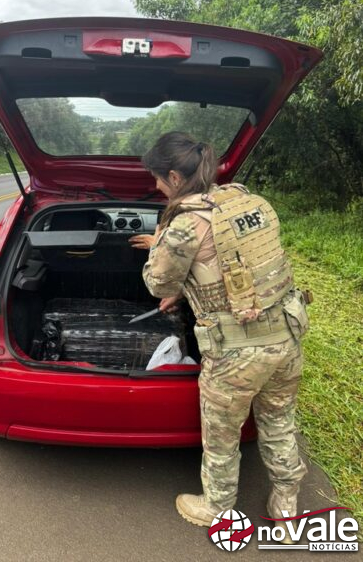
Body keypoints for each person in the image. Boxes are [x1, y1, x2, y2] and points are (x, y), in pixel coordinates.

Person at [129, 131, 309, 537]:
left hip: (237, 354)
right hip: (286, 337)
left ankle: (216, 507)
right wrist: (188, 285)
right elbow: (237, 266)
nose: (156, 186)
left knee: (222, 435)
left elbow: (158, 283)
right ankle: (286, 501)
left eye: (157, 178)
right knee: (279, 420)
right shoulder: (244, 201)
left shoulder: (184, 225)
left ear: (175, 177)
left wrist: (160, 245)